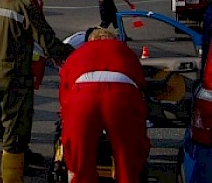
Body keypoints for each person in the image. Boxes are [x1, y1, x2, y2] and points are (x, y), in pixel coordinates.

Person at [0, 0, 74, 183]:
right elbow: (47, 40)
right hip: (15, 78)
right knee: (14, 134)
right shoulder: (26, 5)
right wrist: (75, 54)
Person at [59, 27, 150, 183]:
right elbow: (141, 85)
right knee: (127, 157)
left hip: (82, 97)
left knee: (81, 163)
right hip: (121, 95)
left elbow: (64, 96)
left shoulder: (78, 53)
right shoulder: (124, 50)